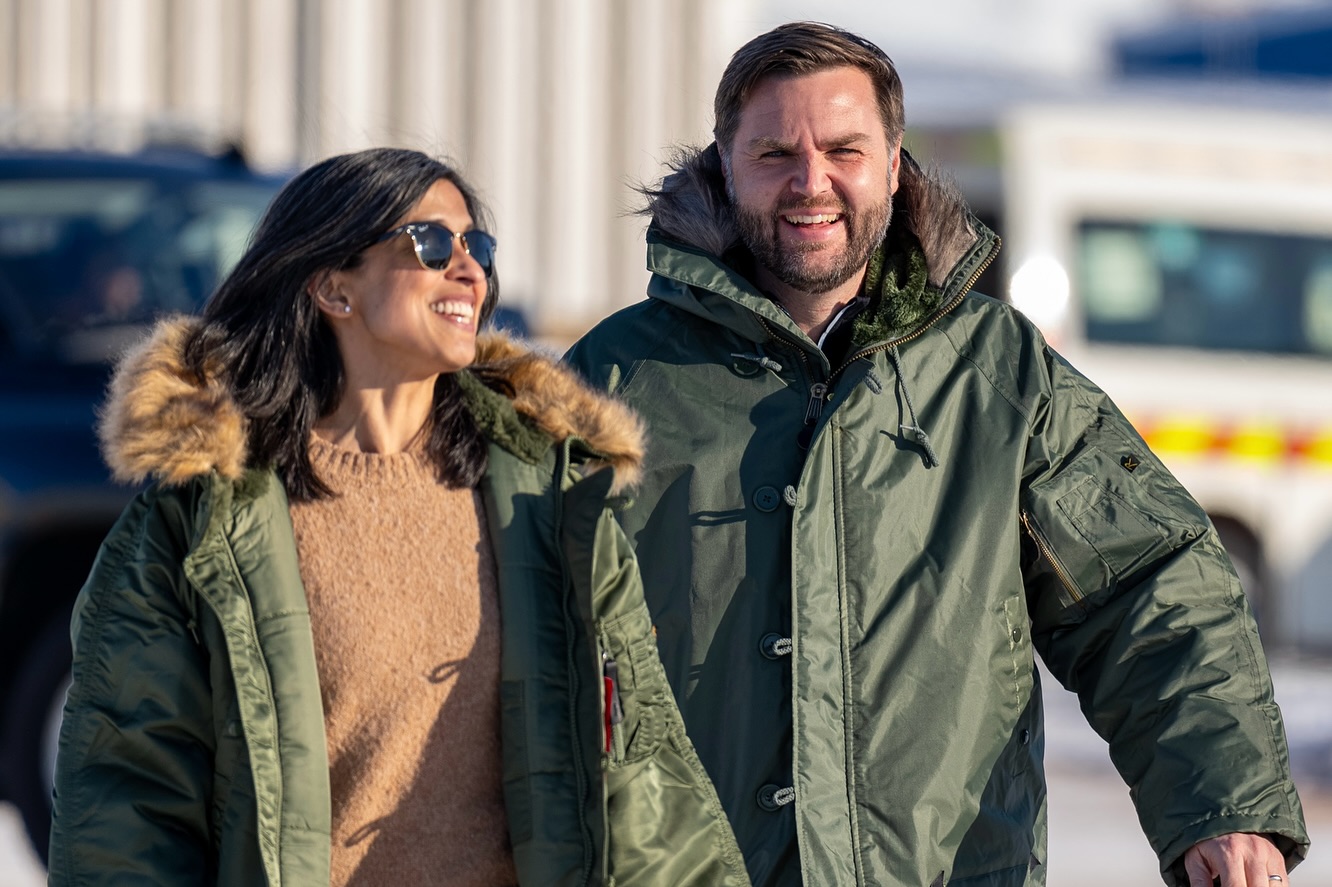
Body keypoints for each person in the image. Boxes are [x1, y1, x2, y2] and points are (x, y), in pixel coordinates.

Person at [566, 21, 1310, 887]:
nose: (812, 182)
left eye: (844, 148)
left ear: (892, 164)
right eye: (775, 154)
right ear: (725, 165)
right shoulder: (617, 379)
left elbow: (1146, 587)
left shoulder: (997, 374)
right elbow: (517, 643)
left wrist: (1223, 802)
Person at [48, 147, 749, 886]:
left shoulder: (551, 498)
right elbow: (129, 804)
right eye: (432, 243)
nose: (470, 269)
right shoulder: (203, 520)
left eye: (478, 246)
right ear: (332, 287)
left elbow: (640, 777)